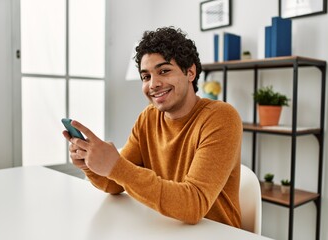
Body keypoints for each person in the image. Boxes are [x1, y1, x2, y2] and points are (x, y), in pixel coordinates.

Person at [62, 26, 243, 228]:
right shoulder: (148, 118)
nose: (153, 84)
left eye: (164, 71)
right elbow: (114, 183)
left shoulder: (221, 117)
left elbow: (193, 205)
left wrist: (116, 166)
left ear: (190, 72)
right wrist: (91, 164)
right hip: (165, 227)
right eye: (146, 77)